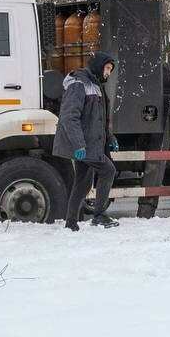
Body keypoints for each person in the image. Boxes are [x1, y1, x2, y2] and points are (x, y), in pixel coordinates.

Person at [54, 51, 120, 230]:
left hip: (90, 143)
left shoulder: (96, 85)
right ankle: (99, 215)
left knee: (83, 183)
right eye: (107, 68)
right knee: (108, 170)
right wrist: (79, 144)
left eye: (110, 70)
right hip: (84, 144)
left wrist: (110, 137)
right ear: (98, 65)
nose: (108, 73)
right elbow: (69, 117)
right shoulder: (79, 84)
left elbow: (98, 119)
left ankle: (71, 221)